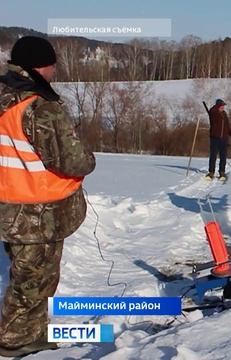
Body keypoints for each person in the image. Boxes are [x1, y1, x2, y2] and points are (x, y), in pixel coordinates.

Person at [0, 36, 96, 357]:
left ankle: (32, 330)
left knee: (27, 274)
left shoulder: (4, 94)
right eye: (53, 65)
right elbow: (73, 160)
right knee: (33, 282)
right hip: (37, 213)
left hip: (7, 207)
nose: (54, 72)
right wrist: (88, 156)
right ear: (41, 66)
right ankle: (14, 340)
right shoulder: (39, 106)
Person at [206, 98, 231, 180]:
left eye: (223, 106)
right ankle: (211, 172)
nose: (223, 107)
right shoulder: (214, 113)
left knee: (223, 156)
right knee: (213, 155)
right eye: (221, 106)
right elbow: (211, 111)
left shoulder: (224, 114)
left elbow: (227, 125)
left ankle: (222, 172)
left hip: (224, 139)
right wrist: (216, 107)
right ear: (218, 106)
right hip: (215, 138)